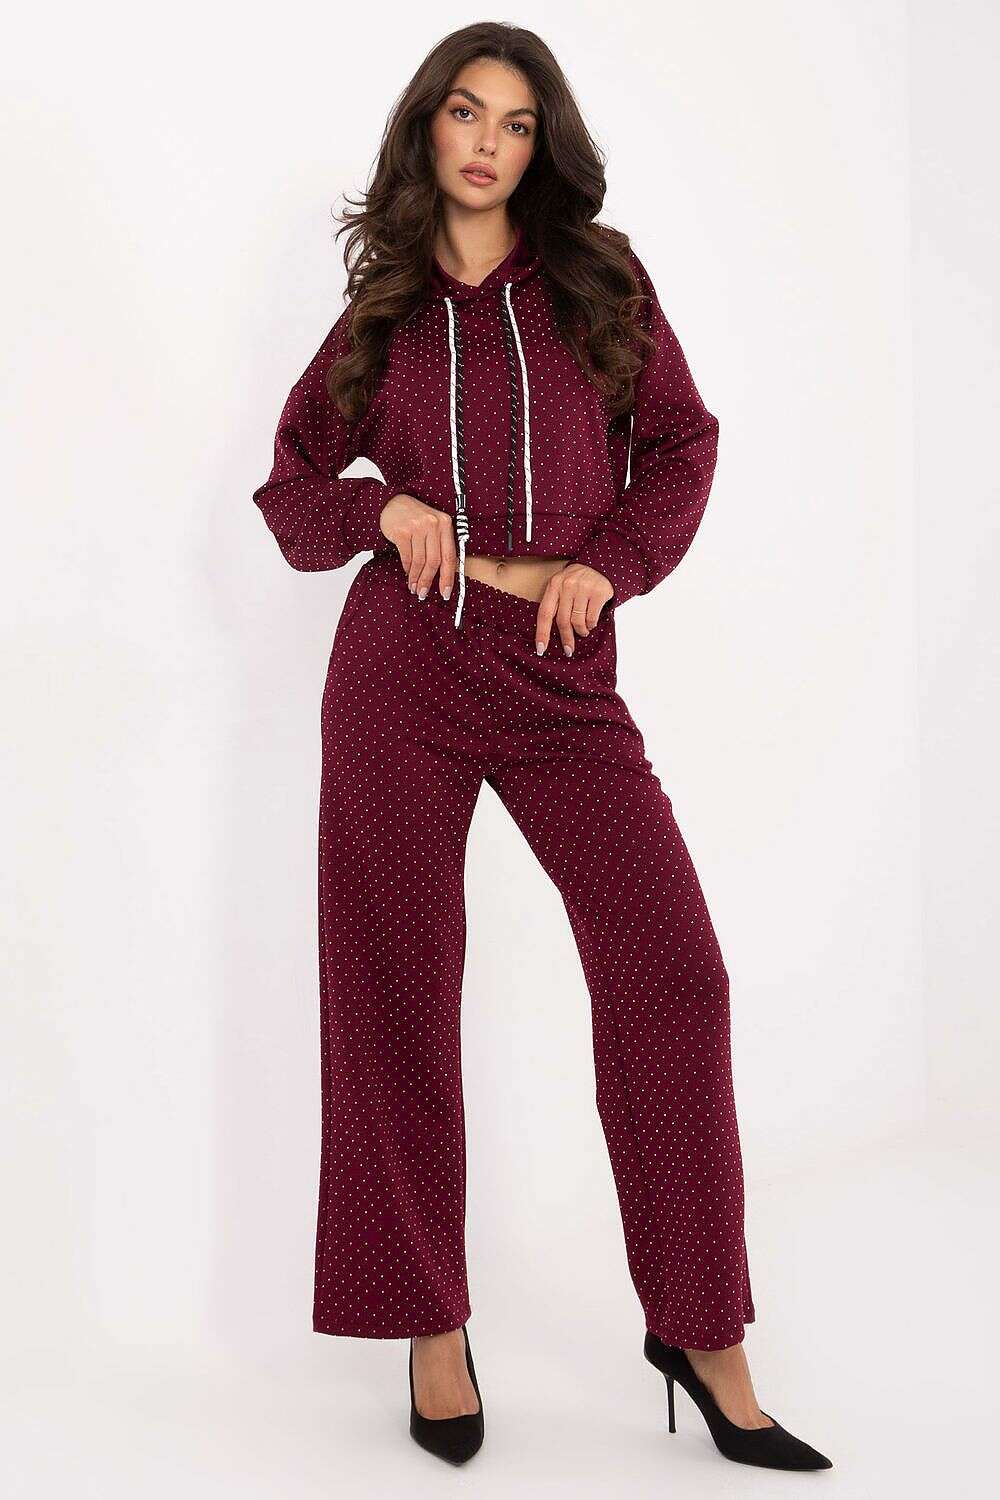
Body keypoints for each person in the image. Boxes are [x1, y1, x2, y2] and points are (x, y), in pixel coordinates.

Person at [251, 22, 832, 1473]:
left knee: (673, 974)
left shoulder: (598, 282)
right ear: (428, 128)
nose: (488, 143)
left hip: (564, 671)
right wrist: (384, 510)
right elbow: (293, 486)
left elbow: (682, 442)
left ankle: (701, 1330)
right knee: (395, 985)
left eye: (516, 123)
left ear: (540, 146)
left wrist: (612, 563)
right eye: (466, 112)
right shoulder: (384, 311)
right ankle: (428, 1325)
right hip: (404, 665)